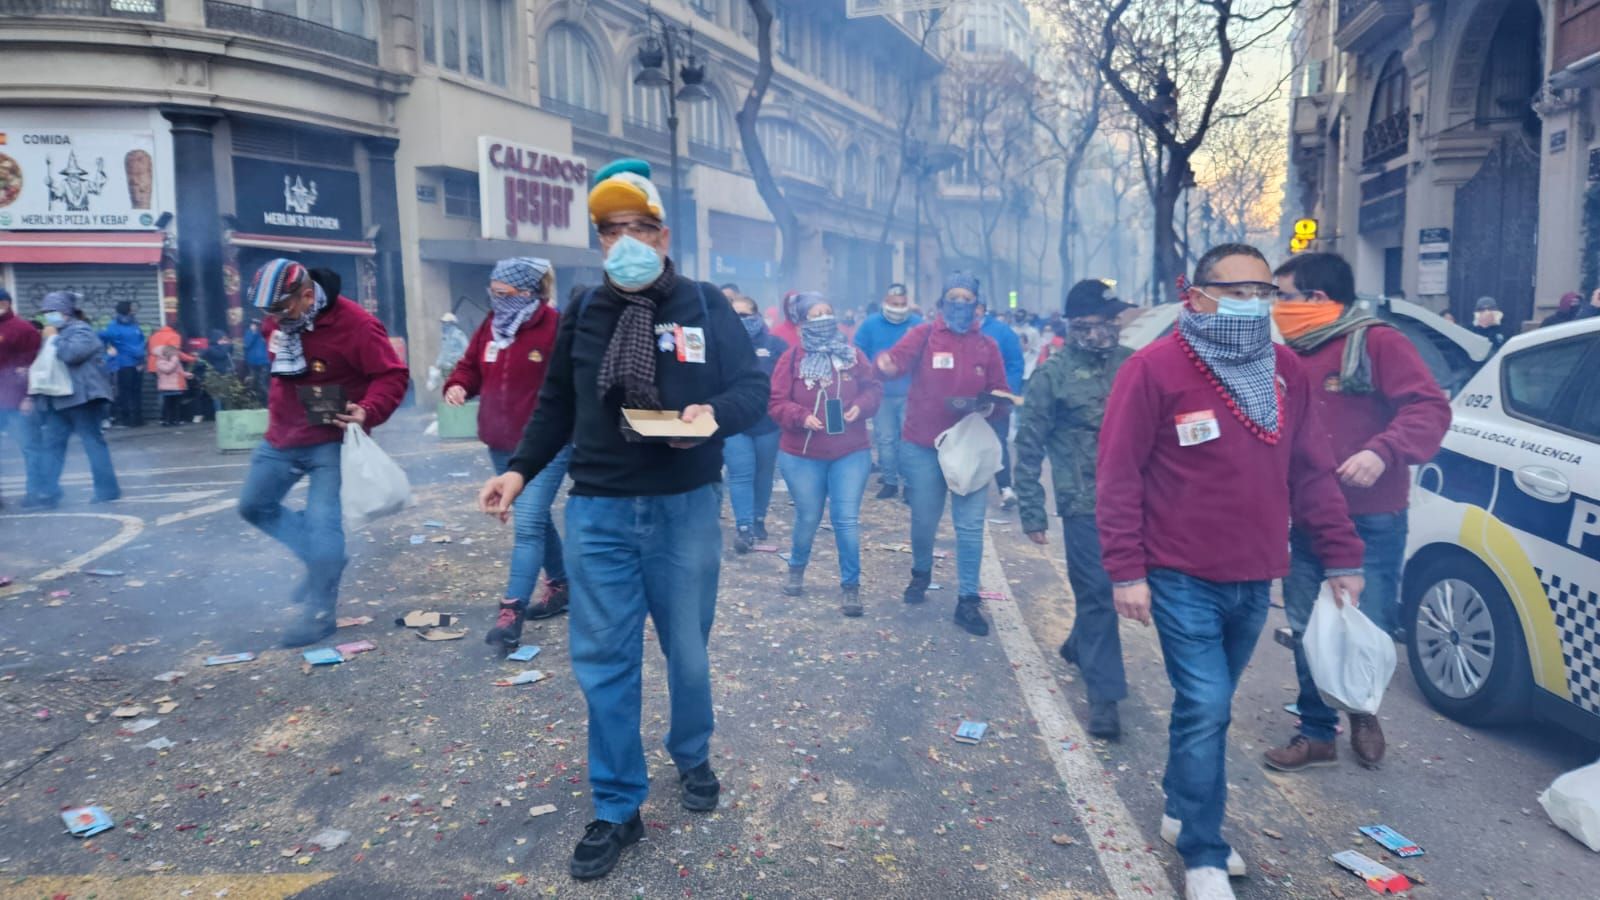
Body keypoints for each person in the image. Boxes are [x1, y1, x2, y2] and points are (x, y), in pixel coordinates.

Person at [476, 159, 768, 881]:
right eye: (614, 230)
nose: (627, 241)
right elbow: (557, 406)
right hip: (601, 511)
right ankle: (616, 806)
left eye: (640, 227)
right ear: (599, 241)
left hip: (686, 508)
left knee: (687, 652)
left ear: (664, 234)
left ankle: (692, 752)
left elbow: (753, 387)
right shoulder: (584, 310)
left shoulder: (703, 304)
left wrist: (714, 415)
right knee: (604, 663)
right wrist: (516, 469)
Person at [1096, 244, 1365, 900]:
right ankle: (1204, 852)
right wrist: (1126, 570)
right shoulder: (1153, 369)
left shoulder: (1285, 372)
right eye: (1236, 291)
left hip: (1256, 573)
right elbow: (1118, 474)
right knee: (1209, 704)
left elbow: (1310, 471)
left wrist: (1342, 553)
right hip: (1179, 571)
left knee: (1203, 710)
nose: (1252, 304)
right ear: (1196, 294)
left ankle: (1181, 804)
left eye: (1263, 292)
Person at [1265, 252, 1451, 773]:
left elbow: (1429, 408)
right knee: (1306, 626)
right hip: (1307, 515)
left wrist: (1382, 450)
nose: (1277, 308)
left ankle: (1364, 712)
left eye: (1284, 296)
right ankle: (1317, 731)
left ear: (1317, 299)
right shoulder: (1290, 356)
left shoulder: (1378, 343)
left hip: (1373, 515)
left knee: (1368, 623)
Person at [237, 260, 409, 648]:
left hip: (331, 439)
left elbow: (393, 375)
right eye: (268, 313)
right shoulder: (275, 322)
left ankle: (319, 612)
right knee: (253, 505)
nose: (274, 320)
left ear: (308, 296)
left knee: (322, 523)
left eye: (282, 310)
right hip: (282, 435)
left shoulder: (358, 325)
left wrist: (368, 409)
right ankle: (323, 562)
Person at [1014, 279, 1133, 739]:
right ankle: (1105, 698)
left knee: (1134, 591)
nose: (1107, 330)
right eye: (1097, 323)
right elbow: (1029, 445)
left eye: (1111, 322)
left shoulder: (1133, 365)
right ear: (1078, 326)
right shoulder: (1053, 375)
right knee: (1099, 593)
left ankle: (1080, 644)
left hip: (1138, 499)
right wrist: (1032, 510)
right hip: (1083, 502)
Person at [443, 257, 572, 651]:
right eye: (493, 293)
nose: (496, 300)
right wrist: (459, 385)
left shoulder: (557, 327)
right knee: (538, 517)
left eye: (505, 294)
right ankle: (562, 585)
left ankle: (510, 613)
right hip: (500, 444)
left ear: (530, 293)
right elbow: (469, 367)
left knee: (529, 521)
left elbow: (570, 389)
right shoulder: (492, 326)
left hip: (547, 445)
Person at [876, 271, 1008, 637]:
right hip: (921, 445)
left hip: (967, 445)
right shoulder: (925, 335)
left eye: (968, 299)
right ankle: (921, 572)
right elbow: (896, 360)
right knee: (924, 520)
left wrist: (990, 405)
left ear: (978, 305)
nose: (961, 305)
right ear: (942, 302)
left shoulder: (987, 346)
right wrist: (885, 365)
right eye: (954, 298)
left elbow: (1001, 394)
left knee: (969, 526)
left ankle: (968, 600)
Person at [769, 292, 881, 615]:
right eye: (815, 315)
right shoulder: (790, 359)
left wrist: (860, 406)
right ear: (802, 322)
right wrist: (800, 415)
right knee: (808, 515)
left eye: (828, 312)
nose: (824, 319)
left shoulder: (852, 355)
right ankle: (797, 566)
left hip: (850, 450)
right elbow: (775, 402)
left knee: (845, 519)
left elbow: (874, 388)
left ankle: (851, 587)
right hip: (802, 453)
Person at [30, 292, 120, 508]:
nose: (48, 317)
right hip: (56, 400)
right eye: (45, 313)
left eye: (52, 312)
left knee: (92, 443)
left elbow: (72, 354)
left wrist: (53, 338)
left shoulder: (82, 330)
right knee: (52, 446)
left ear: (66, 312)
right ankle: (48, 492)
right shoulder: (53, 333)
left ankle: (107, 490)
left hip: (82, 400)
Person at [724, 295, 788, 553]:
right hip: (734, 421)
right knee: (740, 474)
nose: (739, 321)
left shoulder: (776, 345)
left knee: (763, 474)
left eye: (745, 315)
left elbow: (784, 381)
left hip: (767, 421)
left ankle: (759, 519)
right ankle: (744, 527)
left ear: (757, 315)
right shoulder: (723, 344)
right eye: (734, 315)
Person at [853, 283, 921, 499]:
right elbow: (857, 353)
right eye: (894, 304)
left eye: (902, 304)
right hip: (881, 393)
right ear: (885, 302)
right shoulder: (870, 324)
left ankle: (910, 485)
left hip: (912, 394)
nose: (898, 308)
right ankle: (890, 481)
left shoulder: (918, 325)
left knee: (910, 440)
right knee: (885, 439)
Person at [975, 297, 1024, 509]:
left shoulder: (1002, 332)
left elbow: (1015, 364)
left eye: (974, 305)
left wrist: (1005, 392)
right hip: (964, 400)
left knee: (998, 443)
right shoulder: (954, 331)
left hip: (996, 400)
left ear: (983, 309)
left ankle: (1005, 488)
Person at [0, 289, 43, 508]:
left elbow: (33, 366)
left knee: (29, 447)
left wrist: (29, 396)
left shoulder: (23, 329)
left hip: (17, 400)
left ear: (5, 303)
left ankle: (35, 493)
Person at [99, 300, 146, 427]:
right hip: (129, 363)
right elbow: (141, 341)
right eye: (132, 307)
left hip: (129, 363)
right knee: (131, 392)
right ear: (127, 310)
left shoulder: (119, 325)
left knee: (129, 392)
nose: (134, 309)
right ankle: (133, 419)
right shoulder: (131, 325)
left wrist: (107, 351)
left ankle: (132, 419)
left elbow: (101, 336)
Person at [427, 312, 469, 392]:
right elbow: (443, 352)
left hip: (455, 365)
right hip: (447, 366)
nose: (443, 325)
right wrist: (437, 364)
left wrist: (461, 361)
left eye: (445, 323)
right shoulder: (445, 337)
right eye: (443, 323)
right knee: (444, 381)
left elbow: (466, 348)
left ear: (451, 323)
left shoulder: (458, 334)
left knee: (455, 384)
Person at [155, 344, 189, 426]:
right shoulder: (160, 362)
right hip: (167, 388)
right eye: (174, 353)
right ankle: (167, 420)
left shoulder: (176, 361)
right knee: (167, 405)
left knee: (176, 405)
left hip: (176, 386)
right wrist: (174, 361)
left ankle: (176, 420)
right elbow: (167, 370)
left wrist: (186, 374)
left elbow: (180, 371)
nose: (176, 354)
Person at [243, 317, 270, 400]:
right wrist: (253, 333)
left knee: (262, 383)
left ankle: (271, 400)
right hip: (252, 363)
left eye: (257, 324)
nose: (255, 326)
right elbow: (246, 345)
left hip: (264, 362)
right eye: (253, 324)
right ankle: (257, 401)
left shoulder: (264, 334)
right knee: (253, 383)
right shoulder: (249, 333)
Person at [1012, 308, 1042, 380]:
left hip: (1029, 364)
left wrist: (1028, 349)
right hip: (1014, 364)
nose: (1018, 318)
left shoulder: (1033, 332)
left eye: (1021, 316)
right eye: (1017, 316)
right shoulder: (1011, 330)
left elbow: (1037, 349)